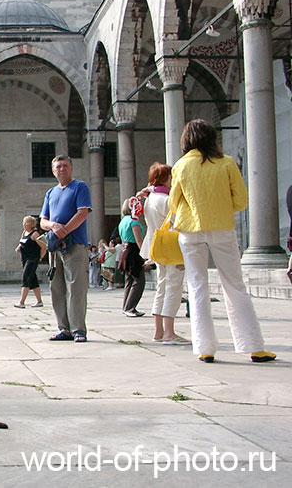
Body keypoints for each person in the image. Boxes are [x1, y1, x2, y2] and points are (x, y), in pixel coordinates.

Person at [169, 119, 275, 363]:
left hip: (190, 230)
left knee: (197, 288)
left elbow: (174, 203)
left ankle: (205, 348)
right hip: (222, 227)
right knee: (234, 286)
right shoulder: (226, 163)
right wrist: (221, 207)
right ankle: (254, 347)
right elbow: (241, 201)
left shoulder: (181, 166)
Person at [40, 155, 92, 343]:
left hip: (75, 244)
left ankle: (78, 329)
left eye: (65, 166)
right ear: (53, 171)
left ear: (71, 168)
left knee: (76, 287)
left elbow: (82, 213)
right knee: (57, 288)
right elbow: (43, 221)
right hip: (55, 247)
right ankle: (64, 328)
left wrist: (65, 230)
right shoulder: (51, 193)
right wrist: (54, 226)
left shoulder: (80, 187)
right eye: (58, 167)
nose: (62, 169)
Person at [138, 162, 190, 345]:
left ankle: (159, 330)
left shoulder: (150, 198)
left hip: (157, 246)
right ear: (166, 178)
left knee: (162, 286)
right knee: (174, 287)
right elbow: (179, 223)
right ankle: (169, 332)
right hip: (171, 247)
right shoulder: (167, 200)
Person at [118, 199, 146, 317]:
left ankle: (126, 306)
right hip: (134, 251)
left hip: (125, 250)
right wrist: (145, 254)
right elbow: (138, 239)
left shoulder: (123, 221)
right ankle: (130, 307)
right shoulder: (133, 221)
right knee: (139, 281)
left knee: (129, 280)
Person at [14, 216, 47, 308]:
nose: (24, 225)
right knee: (33, 279)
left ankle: (21, 302)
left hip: (32, 258)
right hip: (24, 258)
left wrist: (40, 257)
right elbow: (21, 242)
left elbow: (44, 246)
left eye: (26, 223)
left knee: (26, 277)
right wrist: (19, 247)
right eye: (23, 223)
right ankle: (39, 301)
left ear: (31, 224)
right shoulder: (24, 232)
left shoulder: (35, 234)